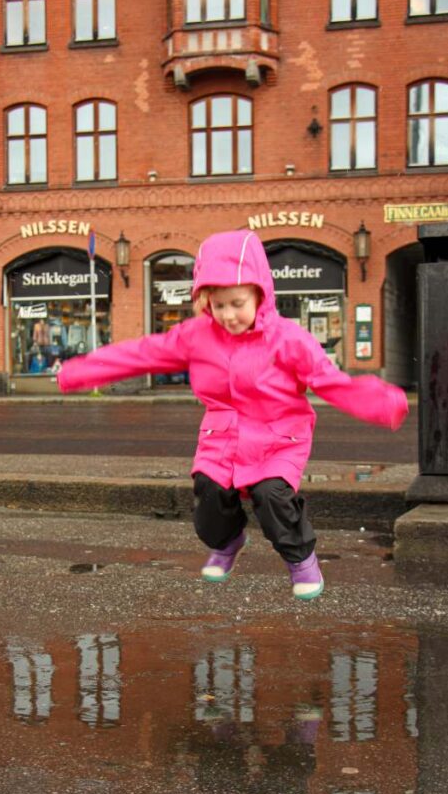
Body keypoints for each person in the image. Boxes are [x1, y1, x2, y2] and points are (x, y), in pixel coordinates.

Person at [57, 230, 408, 601]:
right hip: (222, 437)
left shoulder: (287, 339)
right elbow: (141, 354)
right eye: (218, 305)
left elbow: (328, 381)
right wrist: (78, 372)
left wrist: (382, 402)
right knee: (209, 495)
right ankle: (227, 542)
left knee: (271, 495)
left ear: (260, 294)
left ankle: (301, 560)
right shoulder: (197, 335)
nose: (228, 315)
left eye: (237, 303)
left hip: (279, 435)